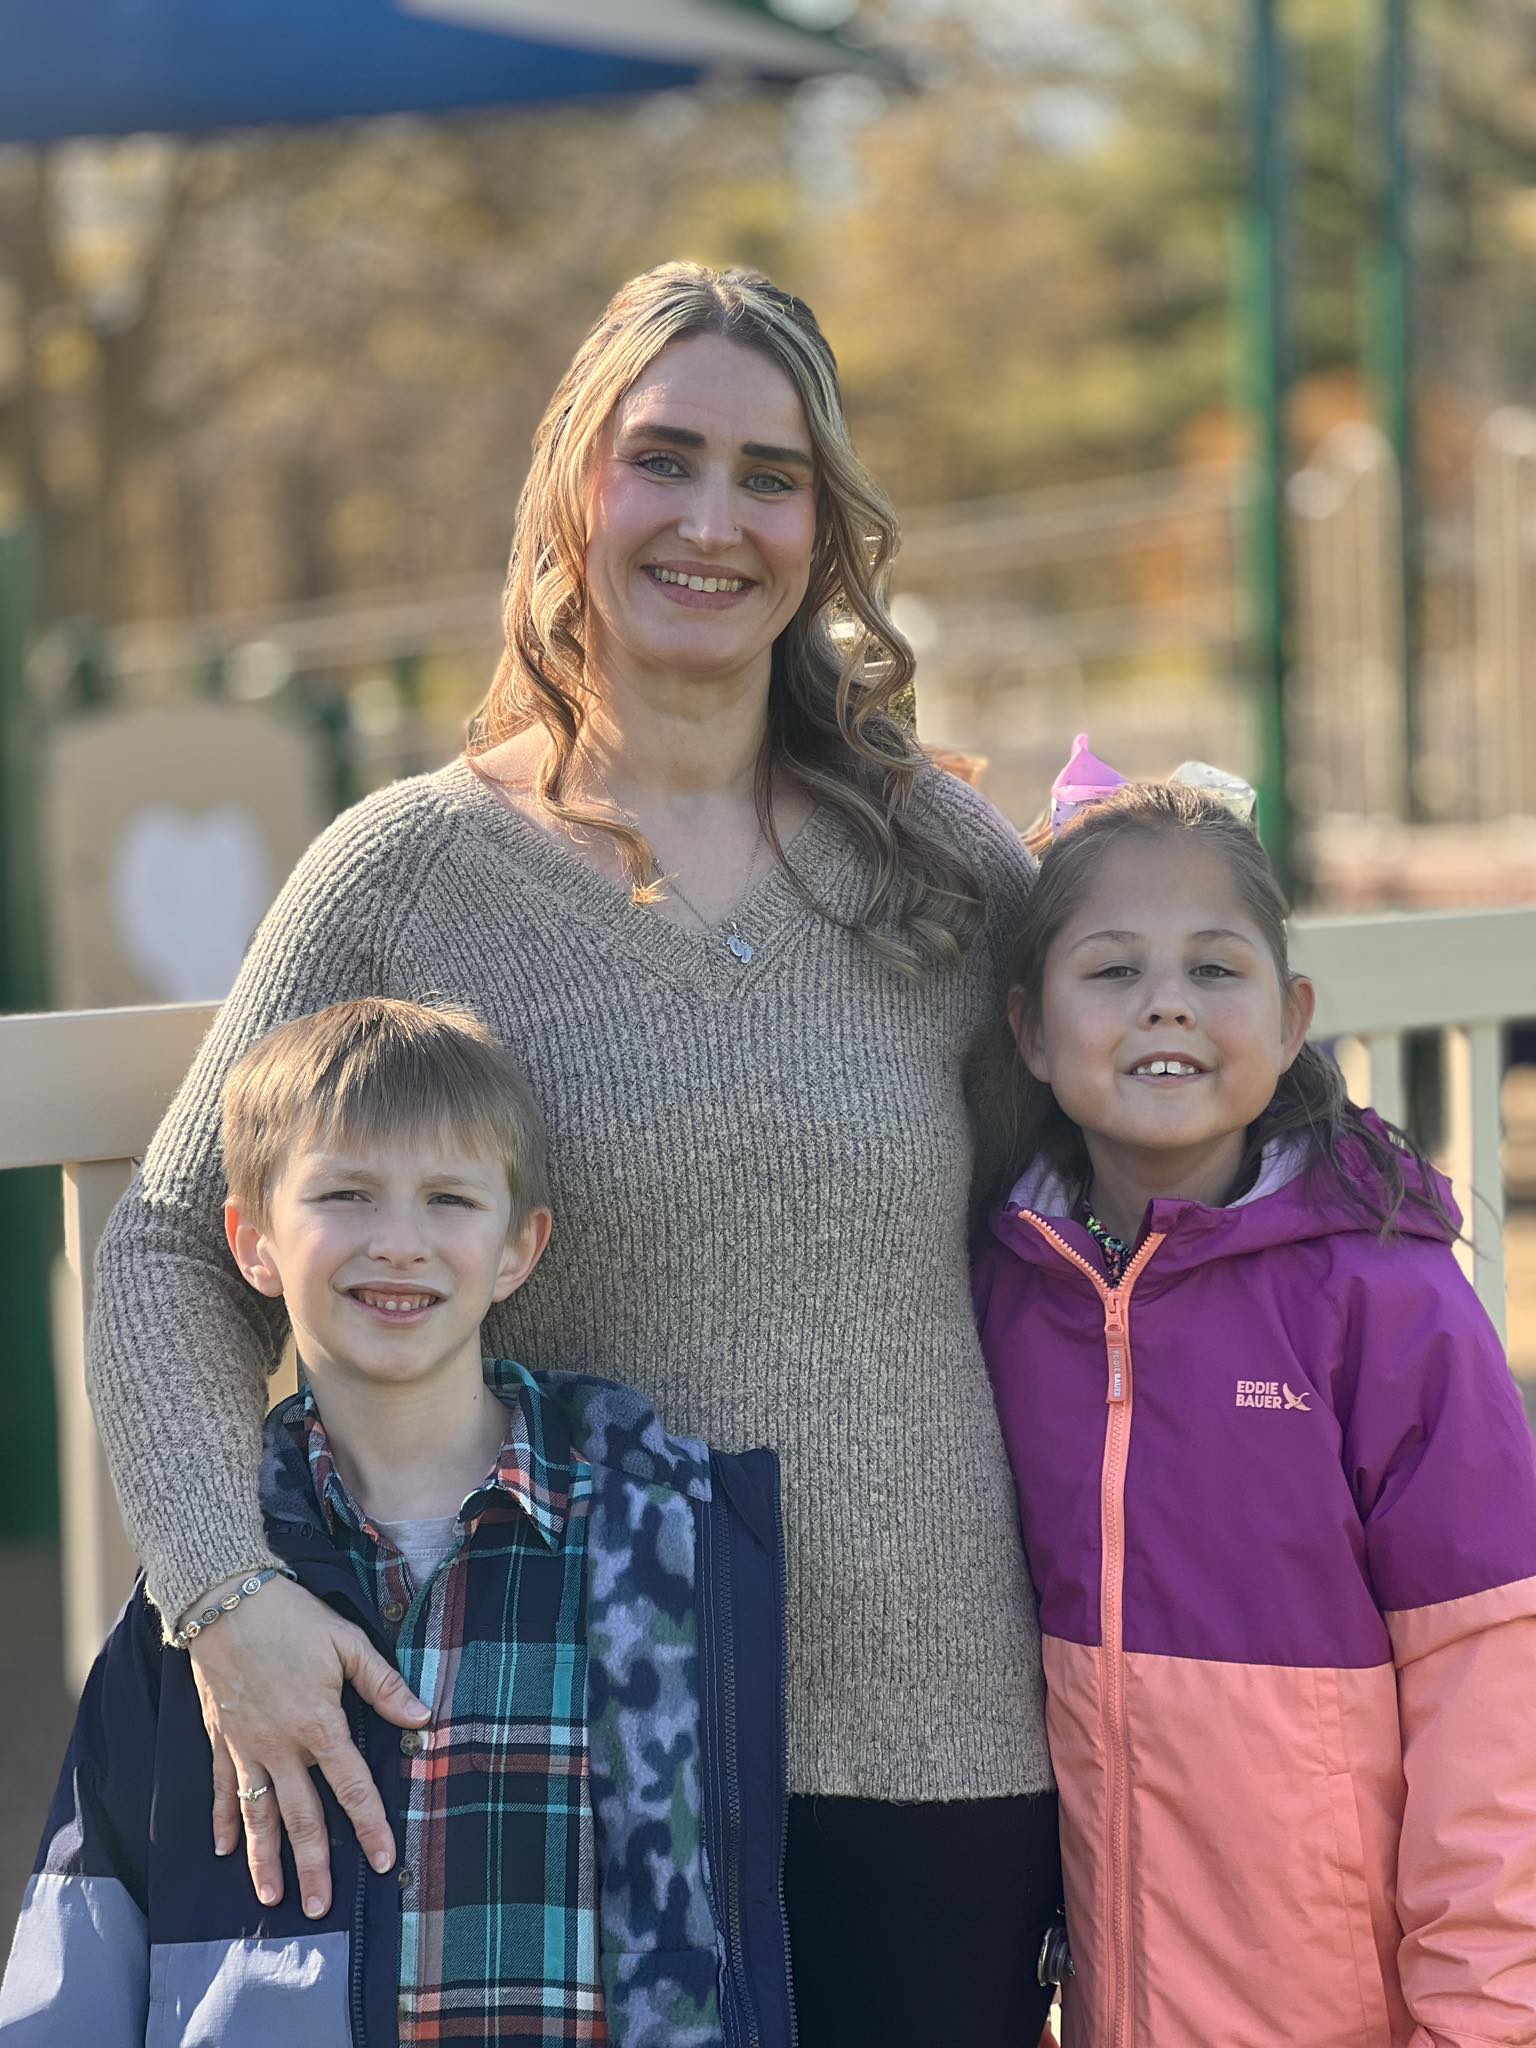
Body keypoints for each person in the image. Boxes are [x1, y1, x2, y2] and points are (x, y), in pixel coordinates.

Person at [84, 263, 1060, 2044]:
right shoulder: (408, 867)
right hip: (569, 1746)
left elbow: (1086, 1202)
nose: (712, 520)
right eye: (661, 458)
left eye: (769, 476)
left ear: (824, 529)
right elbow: (165, 1240)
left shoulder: (940, 862)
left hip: (942, 1739)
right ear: (572, 493)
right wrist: (224, 1596)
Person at [3, 997, 793, 2046]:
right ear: (252, 1241)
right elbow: (82, 1951)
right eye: (346, 1193)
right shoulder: (208, 1596)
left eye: (450, 1199)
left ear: (519, 1248)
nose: (400, 1241)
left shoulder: (649, 1543)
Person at [970, 764, 1536, 2047]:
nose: (1166, 999)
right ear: (1030, 1030)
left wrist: (1485, 2022)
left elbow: (1495, 1688)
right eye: (1112, 970)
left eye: (1215, 968)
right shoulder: (1007, 1298)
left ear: (1290, 1021)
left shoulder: (1390, 1301)